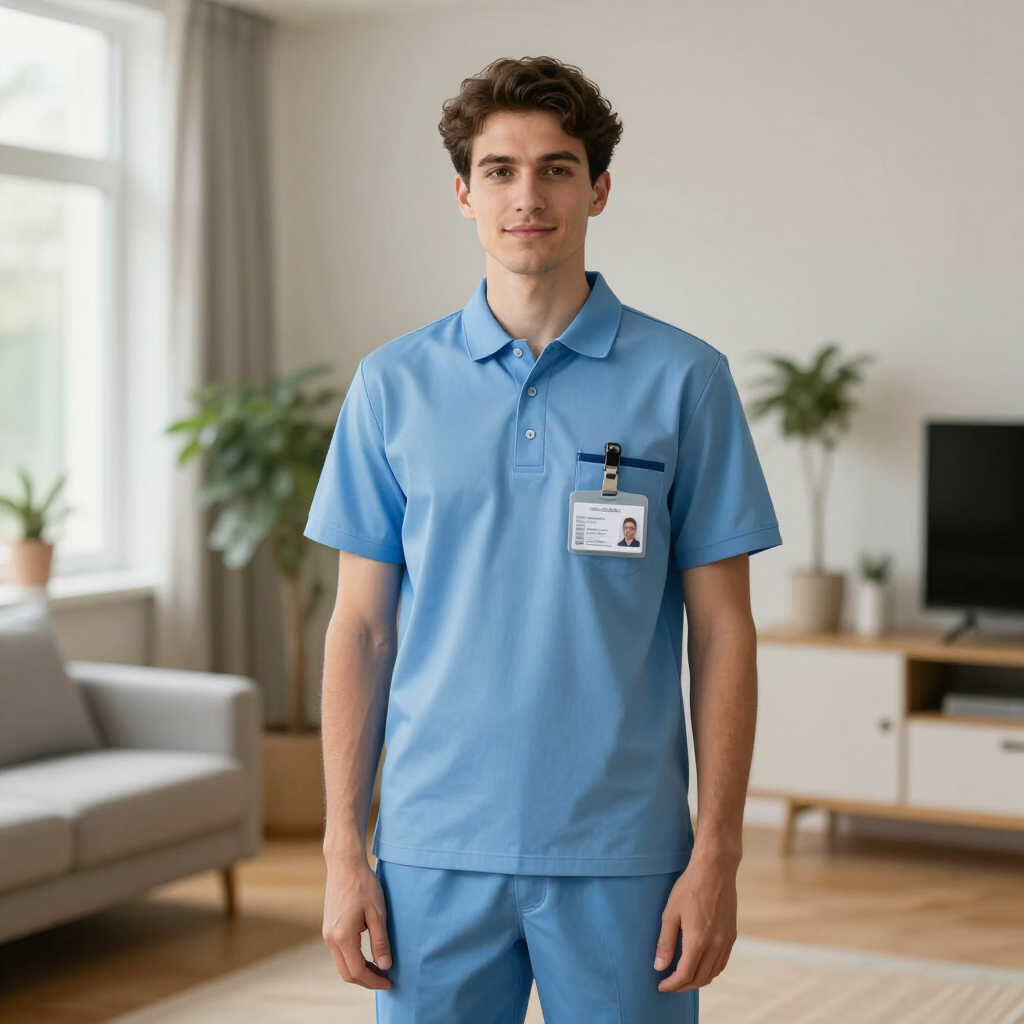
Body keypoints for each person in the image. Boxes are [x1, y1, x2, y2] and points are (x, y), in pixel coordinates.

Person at [306, 55, 782, 1024]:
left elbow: (723, 632)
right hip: (432, 849)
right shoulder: (391, 385)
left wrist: (716, 853)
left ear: (598, 188)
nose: (528, 195)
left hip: (625, 854)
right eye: (500, 169)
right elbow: (360, 630)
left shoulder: (685, 380)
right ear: (463, 192)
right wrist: (343, 851)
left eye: (558, 168)